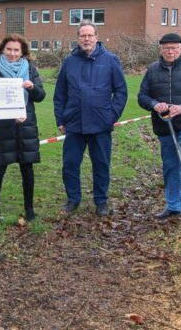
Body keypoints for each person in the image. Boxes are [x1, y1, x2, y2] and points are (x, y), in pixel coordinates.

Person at [53, 20, 128, 217]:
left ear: (96, 37)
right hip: (74, 124)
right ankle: (73, 199)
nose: (86, 39)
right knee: (70, 164)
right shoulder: (69, 62)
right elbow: (60, 93)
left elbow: (120, 91)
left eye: (90, 35)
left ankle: (101, 201)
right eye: (82, 35)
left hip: (100, 124)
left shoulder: (110, 60)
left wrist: (111, 115)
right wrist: (60, 119)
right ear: (78, 39)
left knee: (101, 164)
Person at [137, 33, 181, 219]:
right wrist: (154, 104)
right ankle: (174, 206)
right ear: (161, 50)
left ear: (180, 49)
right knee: (170, 164)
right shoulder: (152, 70)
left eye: (174, 48)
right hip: (164, 125)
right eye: (166, 48)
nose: (170, 51)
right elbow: (142, 96)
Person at [0, 34, 46, 222]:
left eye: (16, 50)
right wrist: (11, 113)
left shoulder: (30, 69)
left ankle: (30, 209)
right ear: (2, 51)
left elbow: (41, 95)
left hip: (27, 125)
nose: (12, 54)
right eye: (9, 50)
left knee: (27, 167)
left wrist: (31, 88)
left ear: (23, 52)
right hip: (5, 126)